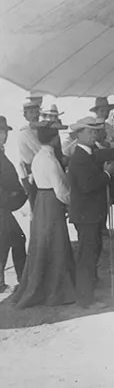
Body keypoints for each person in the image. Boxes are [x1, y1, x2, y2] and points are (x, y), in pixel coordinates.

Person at [11, 119, 76, 308]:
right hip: (51, 201)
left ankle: (45, 284)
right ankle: (56, 289)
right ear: (55, 140)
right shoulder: (50, 160)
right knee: (56, 242)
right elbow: (61, 190)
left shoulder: (38, 157)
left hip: (41, 200)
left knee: (42, 242)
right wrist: (71, 202)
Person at [66, 116, 114, 309]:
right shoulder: (79, 157)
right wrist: (107, 174)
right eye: (90, 131)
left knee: (92, 252)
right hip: (87, 214)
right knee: (87, 255)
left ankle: (89, 290)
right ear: (79, 134)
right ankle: (85, 299)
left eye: (95, 131)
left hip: (91, 213)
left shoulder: (89, 153)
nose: (94, 134)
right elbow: (87, 185)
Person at [0, 116, 27, 292]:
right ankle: (23, 280)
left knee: (9, 241)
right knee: (13, 240)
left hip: (4, 207)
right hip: (2, 208)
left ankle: (19, 280)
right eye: (1, 132)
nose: (4, 135)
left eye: (4, 132)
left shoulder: (1, 152)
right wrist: (11, 195)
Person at [17, 99, 42, 205]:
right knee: (36, 206)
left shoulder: (39, 130)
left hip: (40, 170)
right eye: (31, 112)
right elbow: (40, 150)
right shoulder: (26, 132)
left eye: (36, 111)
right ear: (25, 115)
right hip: (31, 174)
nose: (35, 115)